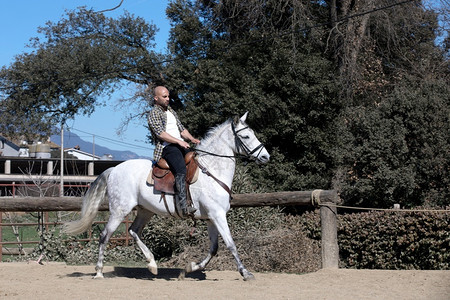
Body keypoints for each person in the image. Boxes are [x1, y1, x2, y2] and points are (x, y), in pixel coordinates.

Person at [147, 86, 200, 217]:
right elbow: (160, 134)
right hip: (167, 148)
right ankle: (183, 206)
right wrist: (178, 141)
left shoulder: (171, 111)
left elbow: (182, 130)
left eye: (168, 96)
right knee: (181, 168)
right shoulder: (154, 113)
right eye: (164, 97)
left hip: (180, 145)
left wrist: (192, 139)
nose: (168, 99)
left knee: (197, 159)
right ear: (156, 98)